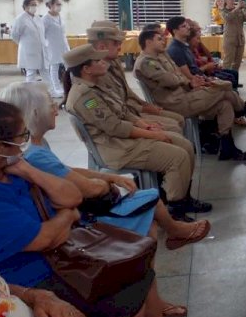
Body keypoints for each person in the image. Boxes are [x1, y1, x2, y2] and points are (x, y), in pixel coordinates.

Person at [0, 101, 210, 317]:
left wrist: (29, 171)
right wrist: (67, 215)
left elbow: (72, 194)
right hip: (36, 273)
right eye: (21, 137)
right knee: (127, 294)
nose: (26, 142)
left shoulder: (14, 170)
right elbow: (48, 237)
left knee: (138, 267)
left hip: (63, 255)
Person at [0, 82, 211, 255]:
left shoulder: (36, 145)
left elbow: (63, 168)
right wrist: (105, 182)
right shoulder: (82, 98)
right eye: (50, 105)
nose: (55, 109)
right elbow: (89, 185)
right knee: (151, 197)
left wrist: (105, 177)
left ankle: (171, 234)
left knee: (171, 148)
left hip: (118, 145)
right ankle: (174, 226)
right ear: (34, 114)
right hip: (82, 205)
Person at [63, 44, 210, 220]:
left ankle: (180, 195)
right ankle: (176, 206)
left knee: (185, 145)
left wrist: (144, 124)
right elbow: (114, 127)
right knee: (177, 156)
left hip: (127, 140)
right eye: (98, 61)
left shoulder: (97, 85)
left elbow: (123, 111)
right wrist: (152, 135)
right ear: (86, 69)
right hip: (118, 148)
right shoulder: (85, 97)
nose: (104, 63)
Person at [135, 30, 246, 161]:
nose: (163, 40)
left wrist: (189, 81)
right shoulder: (146, 62)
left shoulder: (161, 55)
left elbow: (177, 74)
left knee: (225, 104)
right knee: (224, 90)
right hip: (175, 103)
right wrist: (188, 82)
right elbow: (170, 80)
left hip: (184, 95)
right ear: (148, 42)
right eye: (159, 39)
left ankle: (228, 147)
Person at [88, 21, 185, 134]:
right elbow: (115, 109)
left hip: (130, 113)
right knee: (175, 129)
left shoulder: (114, 63)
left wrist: (145, 104)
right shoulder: (97, 73)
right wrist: (142, 112)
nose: (120, 47)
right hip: (124, 120)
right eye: (116, 44)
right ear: (101, 47)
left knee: (177, 122)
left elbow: (127, 92)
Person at [12, 0, 46, 83]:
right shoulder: (20, 19)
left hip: (40, 49)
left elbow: (41, 32)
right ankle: (29, 92)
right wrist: (24, 44)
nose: (34, 7)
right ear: (25, 6)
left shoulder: (37, 18)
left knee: (45, 71)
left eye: (35, 5)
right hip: (28, 50)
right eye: (32, 5)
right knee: (31, 72)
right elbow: (14, 35)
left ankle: (50, 90)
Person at [41, 0, 69, 99]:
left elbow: (63, 32)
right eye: (57, 4)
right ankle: (56, 88)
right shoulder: (45, 19)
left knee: (68, 65)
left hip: (63, 45)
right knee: (54, 67)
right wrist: (46, 45)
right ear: (51, 6)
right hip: (52, 46)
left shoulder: (59, 16)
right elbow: (42, 34)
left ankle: (69, 86)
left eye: (60, 4)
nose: (59, 6)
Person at [221, 0, 246, 71]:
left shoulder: (239, 10)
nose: (232, 0)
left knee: (237, 63)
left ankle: (234, 82)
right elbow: (228, 18)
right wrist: (237, 8)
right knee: (228, 63)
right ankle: (227, 81)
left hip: (240, 40)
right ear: (225, 0)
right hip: (230, 41)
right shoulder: (223, 10)